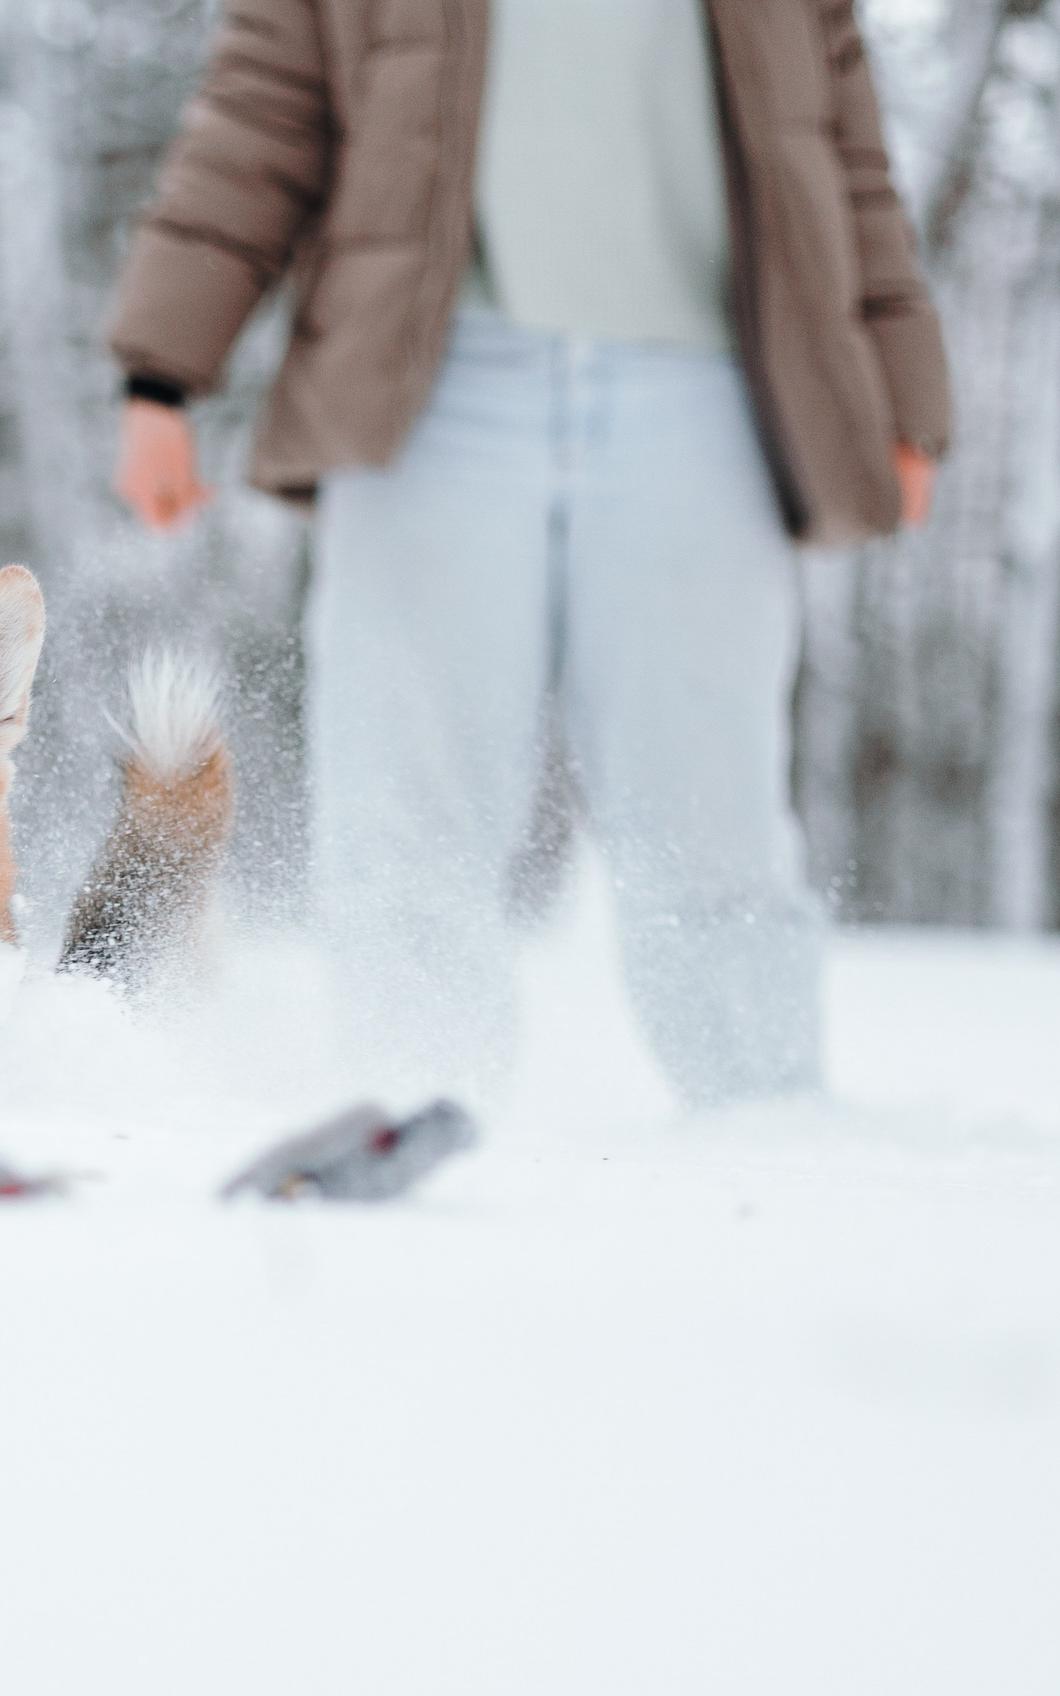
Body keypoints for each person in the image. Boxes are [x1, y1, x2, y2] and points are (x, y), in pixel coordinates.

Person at [105, 0, 948, 1106]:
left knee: (713, 826)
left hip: (704, 390)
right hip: (433, 384)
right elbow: (262, 113)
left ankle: (763, 1118)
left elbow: (843, 146)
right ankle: (415, 1112)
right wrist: (162, 371)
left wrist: (904, 390)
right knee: (404, 815)